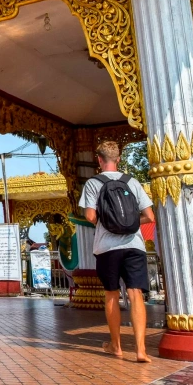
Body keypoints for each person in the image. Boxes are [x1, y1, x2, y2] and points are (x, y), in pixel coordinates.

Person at [79, 140, 155, 363]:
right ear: (119, 159)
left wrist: (109, 224)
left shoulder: (93, 183)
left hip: (107, 248)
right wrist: (130, 223)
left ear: (99, 160)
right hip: (134, 245)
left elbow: (91, 216)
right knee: (135, 294)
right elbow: (150, 216)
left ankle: (116, 346)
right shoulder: (132, 182)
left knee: (112, 294)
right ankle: (141, 350)